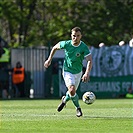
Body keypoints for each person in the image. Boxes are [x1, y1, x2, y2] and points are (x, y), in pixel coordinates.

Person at [44, 27, 92, 117]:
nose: (75, 38)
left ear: (81, 36)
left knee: (71, 92)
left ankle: (64, 100)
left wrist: (86, 73)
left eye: (78, 36)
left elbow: (89, 60)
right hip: (67, 71)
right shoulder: (66, 44)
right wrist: (49, 59)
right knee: (72, 90)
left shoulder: (83, 47)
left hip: (78, 72)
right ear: (71, 36)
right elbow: (54, 47)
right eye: (74, 36)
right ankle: (78, 108)